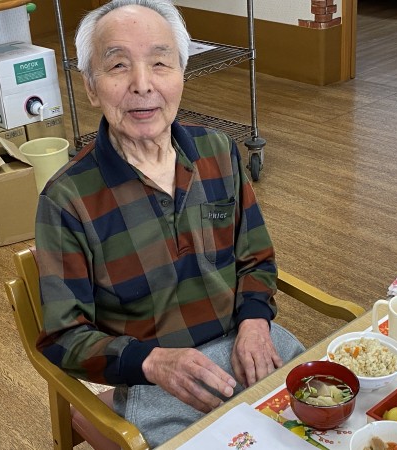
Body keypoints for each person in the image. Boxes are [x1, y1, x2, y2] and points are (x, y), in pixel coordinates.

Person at [35, 0, 304, 446]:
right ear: (91, 87)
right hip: (153, 384)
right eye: (118, 65)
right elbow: (63, 337)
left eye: (160, 63)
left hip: (245, 346)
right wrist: (152, 363)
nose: (143, 84)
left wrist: (256, 321)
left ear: (181, 73)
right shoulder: (67, 199)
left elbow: (256, 258)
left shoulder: (219, 151)